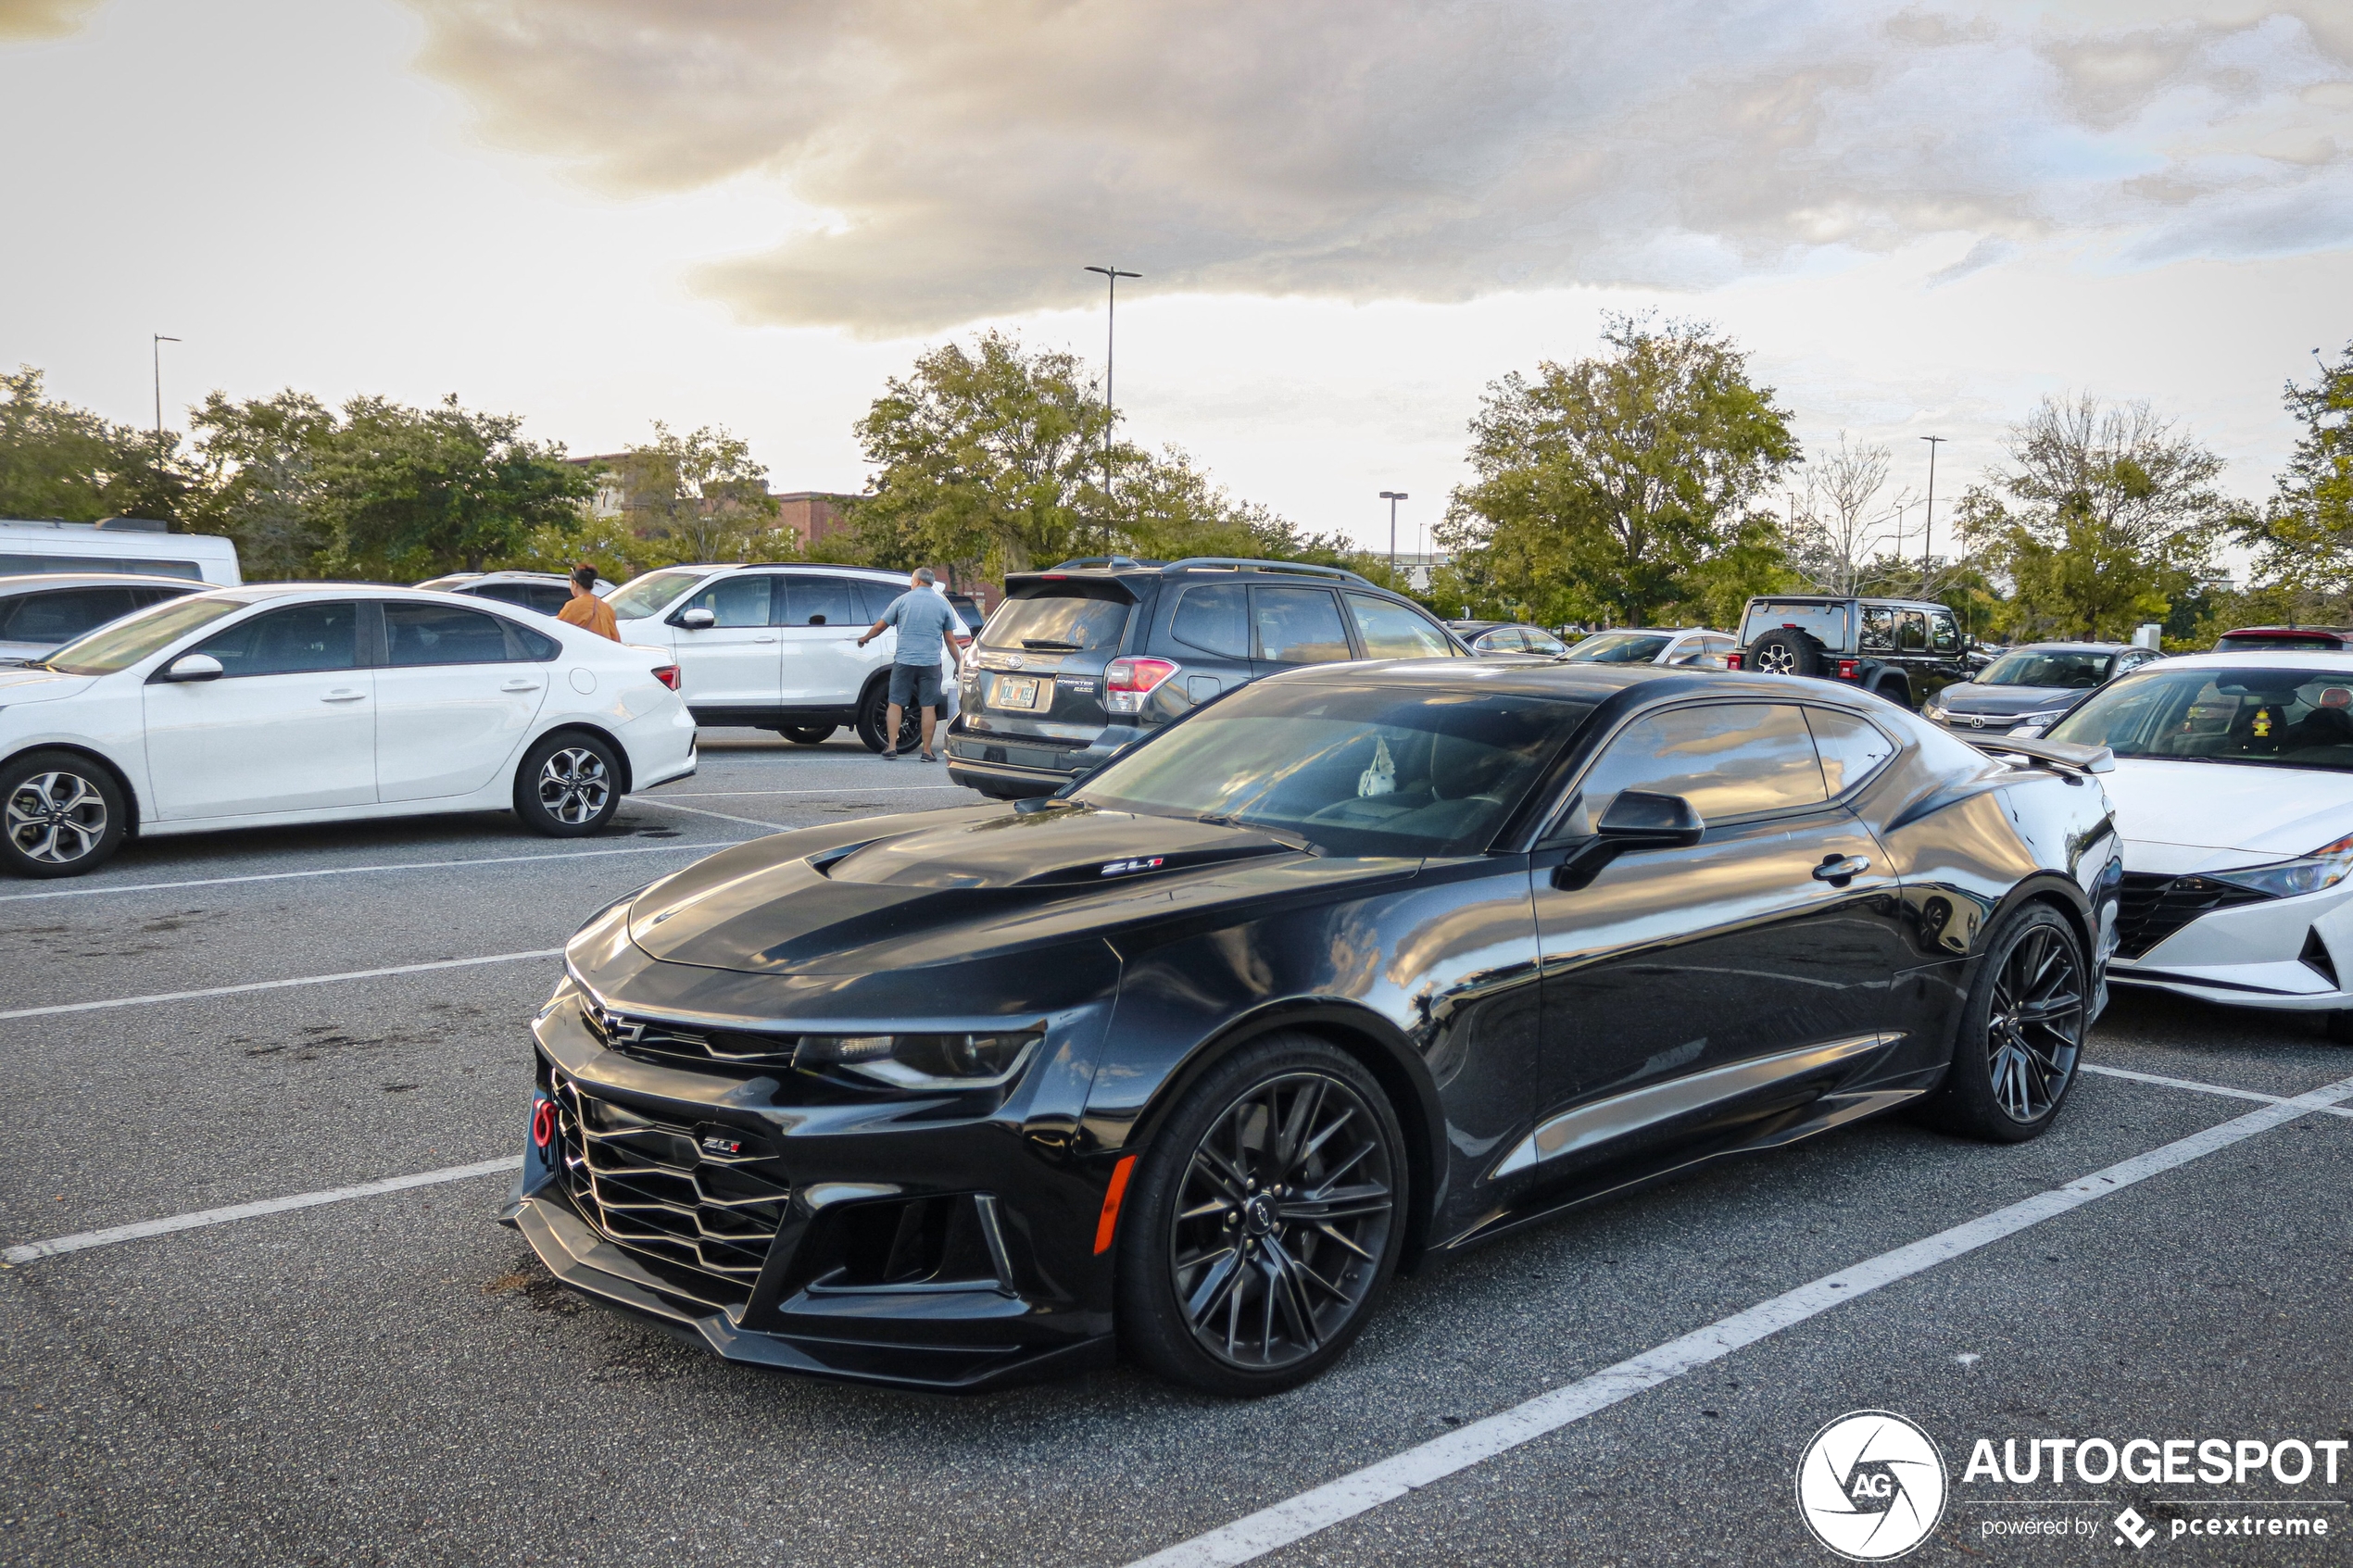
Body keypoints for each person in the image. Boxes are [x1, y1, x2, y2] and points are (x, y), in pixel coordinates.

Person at [855, 566, 963, 761]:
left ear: (917, 581)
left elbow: (881, 625)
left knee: (895, 703)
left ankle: (892, 747)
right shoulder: (942, 605)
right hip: (930, 663)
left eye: (912, 581)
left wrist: (865, 638)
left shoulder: (902, 601)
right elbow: (950, 641)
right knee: (928, 706)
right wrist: (959, 662)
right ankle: (927, 751)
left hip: (904, 661)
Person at [557, 564, 618, 641]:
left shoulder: (573, 606)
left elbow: (557, 632)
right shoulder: (607, 608)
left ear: (574, 584)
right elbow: (616, 640)